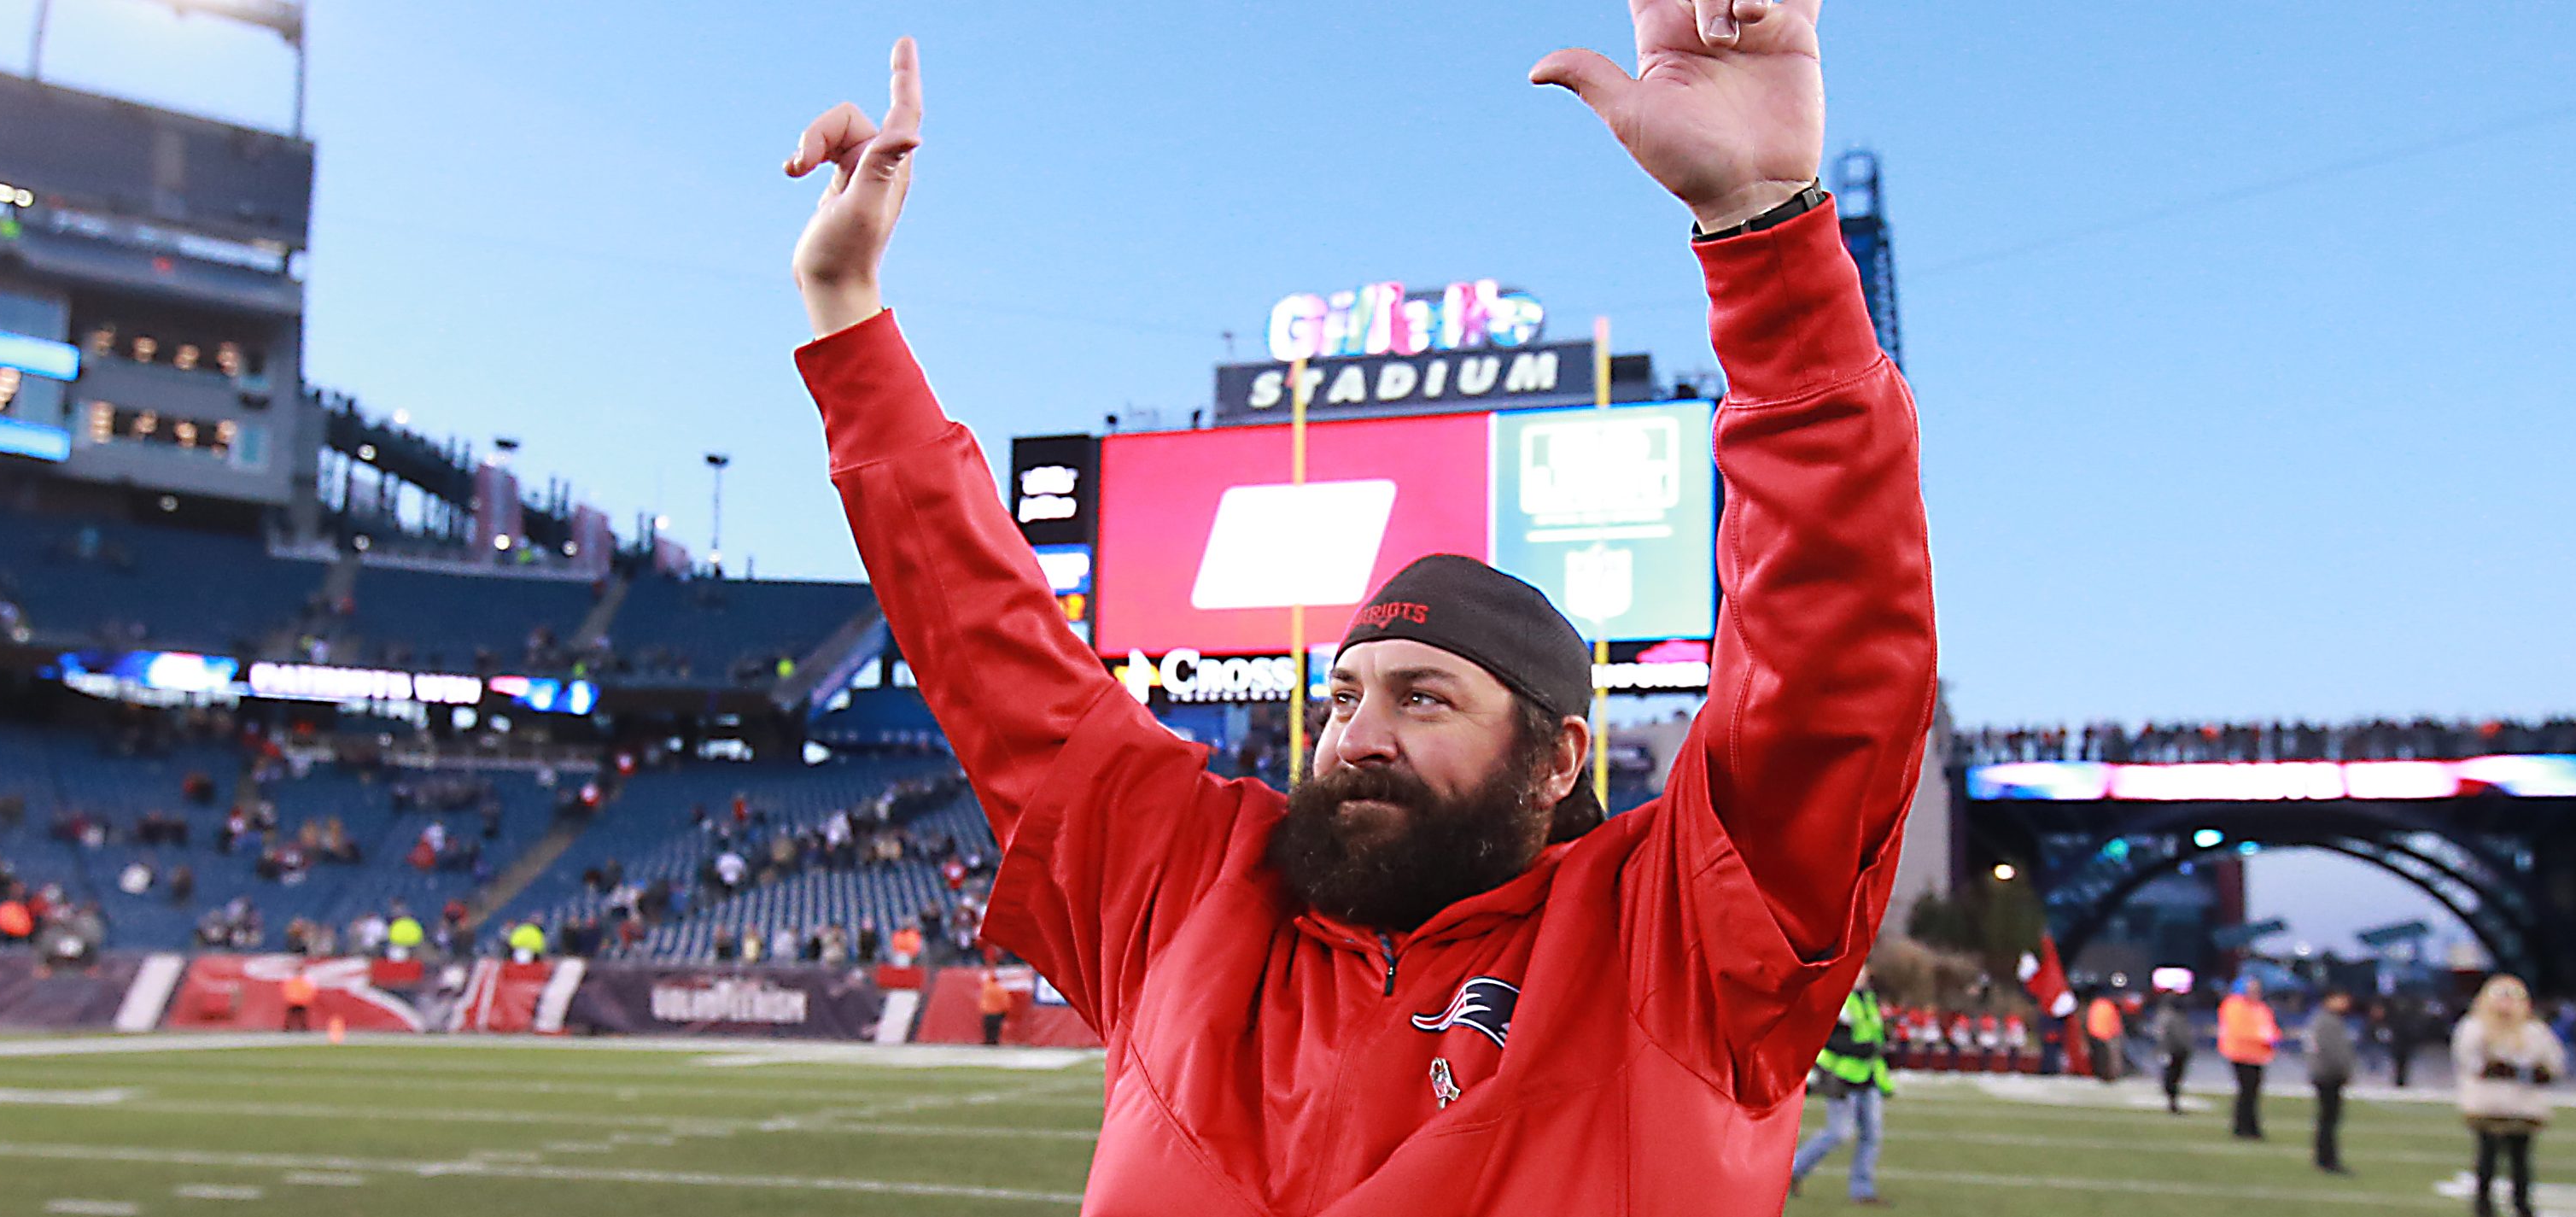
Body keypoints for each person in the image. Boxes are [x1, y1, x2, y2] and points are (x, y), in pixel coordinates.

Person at [780, 0, 1935, 1208]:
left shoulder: (1679, 941)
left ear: (1558, 759)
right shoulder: (1191, 897)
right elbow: (984, 637)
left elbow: (1829, 660)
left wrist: (1761, 230)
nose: (1357, 736)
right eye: (1343, 696)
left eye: (1423, 697)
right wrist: (845, 310)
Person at [2451, 975, 2562, 1217]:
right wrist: (2498, 1068)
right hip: (2488, 1104)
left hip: (2522, 1104)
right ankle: (2483, 1206)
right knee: (2487, 1159)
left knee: (2520, 1161)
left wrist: (2533, 1072)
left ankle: (2522, 1205)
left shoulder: (2533, 1030)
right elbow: (2470, 1061)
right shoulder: (2475, 1028)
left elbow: (2553, 1063)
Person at [1790, 968, 1895, 1204]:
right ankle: (1793, 1170)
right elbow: (1829, 1037)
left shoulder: (1867, 998)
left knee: (1871, 1136)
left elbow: (1873, 1034)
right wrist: (1861, 1049)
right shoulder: (1841, 998)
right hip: (1842, 1078)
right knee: (1838, 1133)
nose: (1863, 973)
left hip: (1868, 1076)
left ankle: (1862, 1190)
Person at [2218, 977, 2279, 1138]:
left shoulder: (2261, 1008)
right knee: (2246, 1092)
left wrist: (2272, 1038)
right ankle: (2243, 1127)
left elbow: (2270, 1028)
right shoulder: (2235, 1005)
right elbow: (2238, 1030)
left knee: (2252, 1093)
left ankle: (2251, 1126)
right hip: (2241, 1054)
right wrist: (2262, 1037)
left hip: (2258, 1056)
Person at [2304, 989, 2356, 1173]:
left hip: (2326, 1074)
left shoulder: (2325, 1019)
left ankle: (2325, 1157)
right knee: (2328, 1119)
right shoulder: (2327, 1021)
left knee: (2328, 1119)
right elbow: (2333, 1051)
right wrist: (2345, 1070)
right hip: (2328, 1075)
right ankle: (2326, 1159)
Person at [2150, 994, 2193, 1114]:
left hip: (2176, 1051)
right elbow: (2164, 1035)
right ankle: (2172, 1102)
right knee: (2171, 1077)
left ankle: (2173, 1101)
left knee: (2174, 1077)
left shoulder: (2174, 1016)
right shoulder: (2169, 1016)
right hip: (2173, 1050)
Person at [2086, 992, 2124, 1082]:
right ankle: (2108, 1075)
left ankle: (2106, 1075)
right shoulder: (2106, 1005)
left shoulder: (2098, 1004)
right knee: (2109, 1055)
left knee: (2104, 1056)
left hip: (2099, 1033)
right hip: (2104, 1034)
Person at [978, 972, 1014, 1046]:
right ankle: (994, 1041)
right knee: (996, 1028)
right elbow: (1006, 1001)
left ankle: (988, 1040)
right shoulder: (1001, 990)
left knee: (988, 1027)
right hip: (998, 1012)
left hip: (988, 1011)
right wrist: (1005, 1010)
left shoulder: (986, 988)